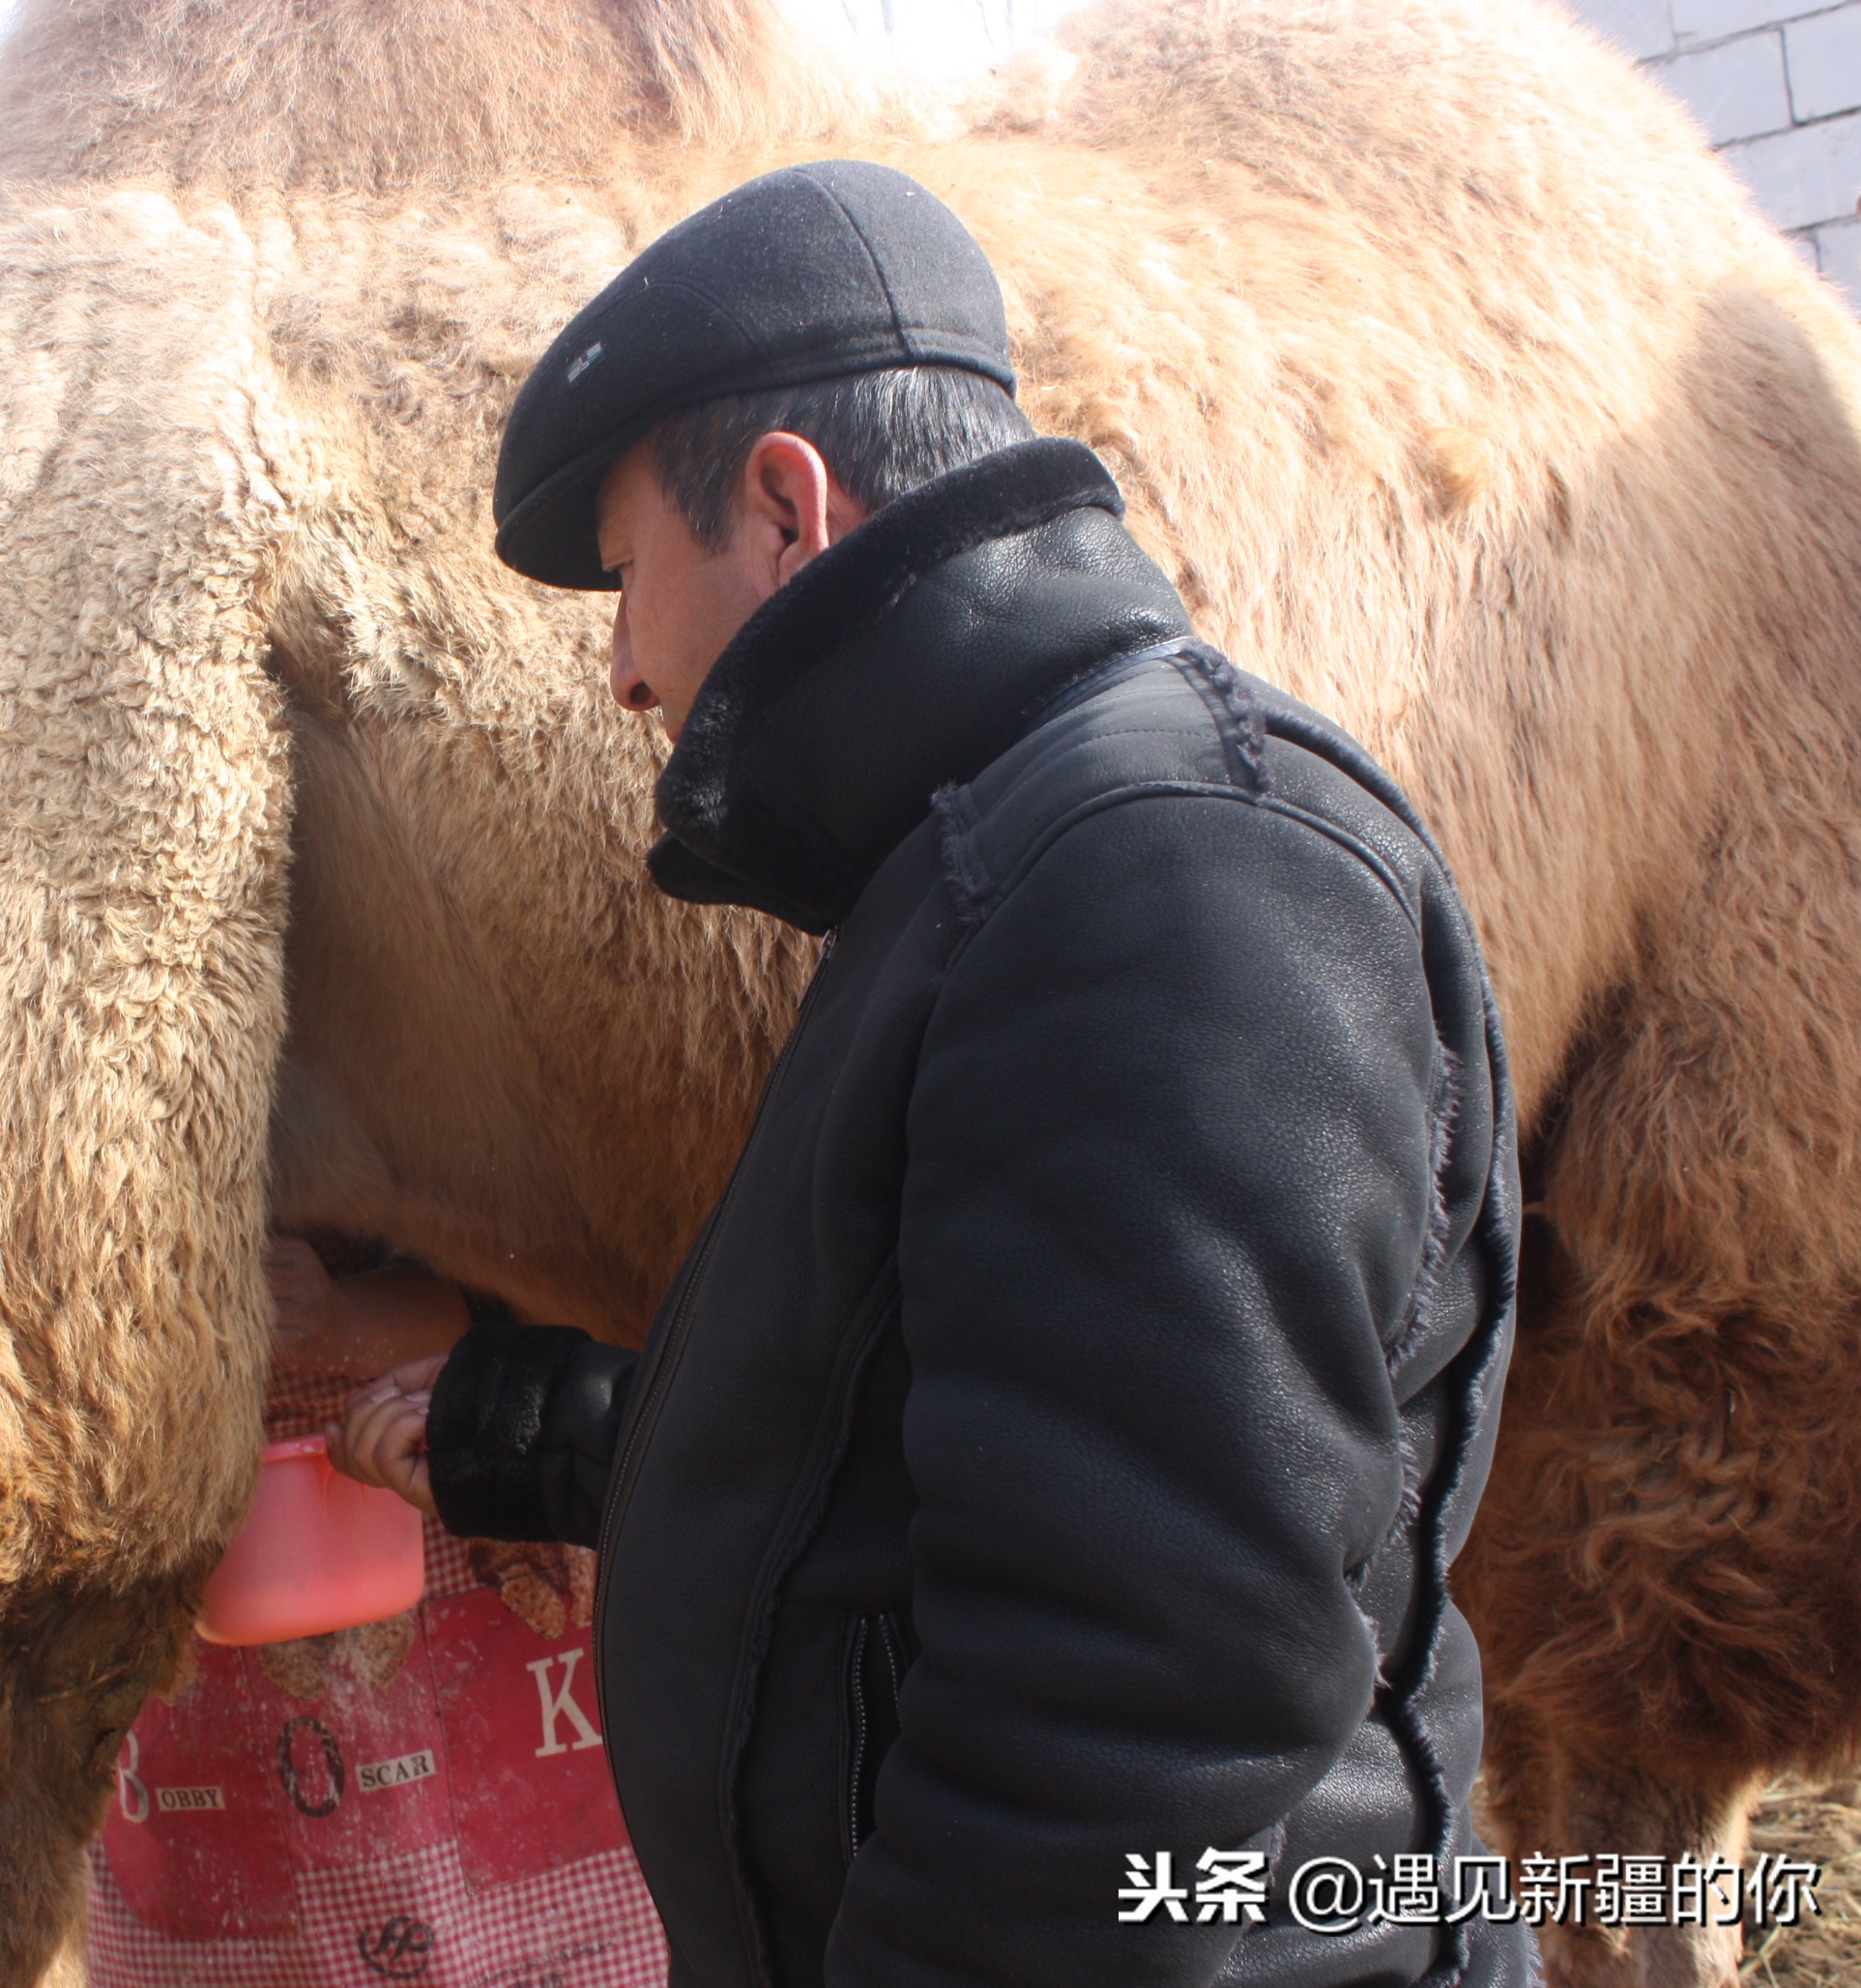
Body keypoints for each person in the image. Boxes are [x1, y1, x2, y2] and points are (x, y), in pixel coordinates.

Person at [303, 161, 1531, 1988]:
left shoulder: (1175, 880)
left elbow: (1123, 1740)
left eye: (634, 575)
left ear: (789, 512)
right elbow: (956, 1449)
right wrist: (536, 1433)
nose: (628, 672)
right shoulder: (1008, 866)